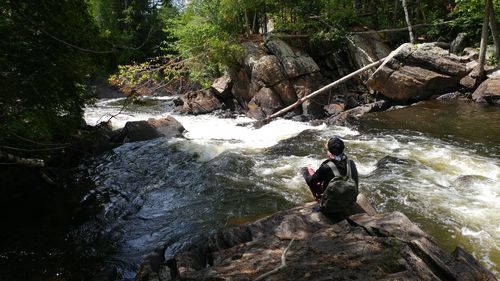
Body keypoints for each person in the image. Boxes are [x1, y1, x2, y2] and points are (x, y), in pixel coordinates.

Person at [302, 137, 359, 202]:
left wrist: (306, 172)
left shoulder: (326, 166)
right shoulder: (351, 163)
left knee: (306, 171)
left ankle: (318, 200)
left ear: (329, 151)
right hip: (349, 203)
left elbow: (311, 182)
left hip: (330, 207)